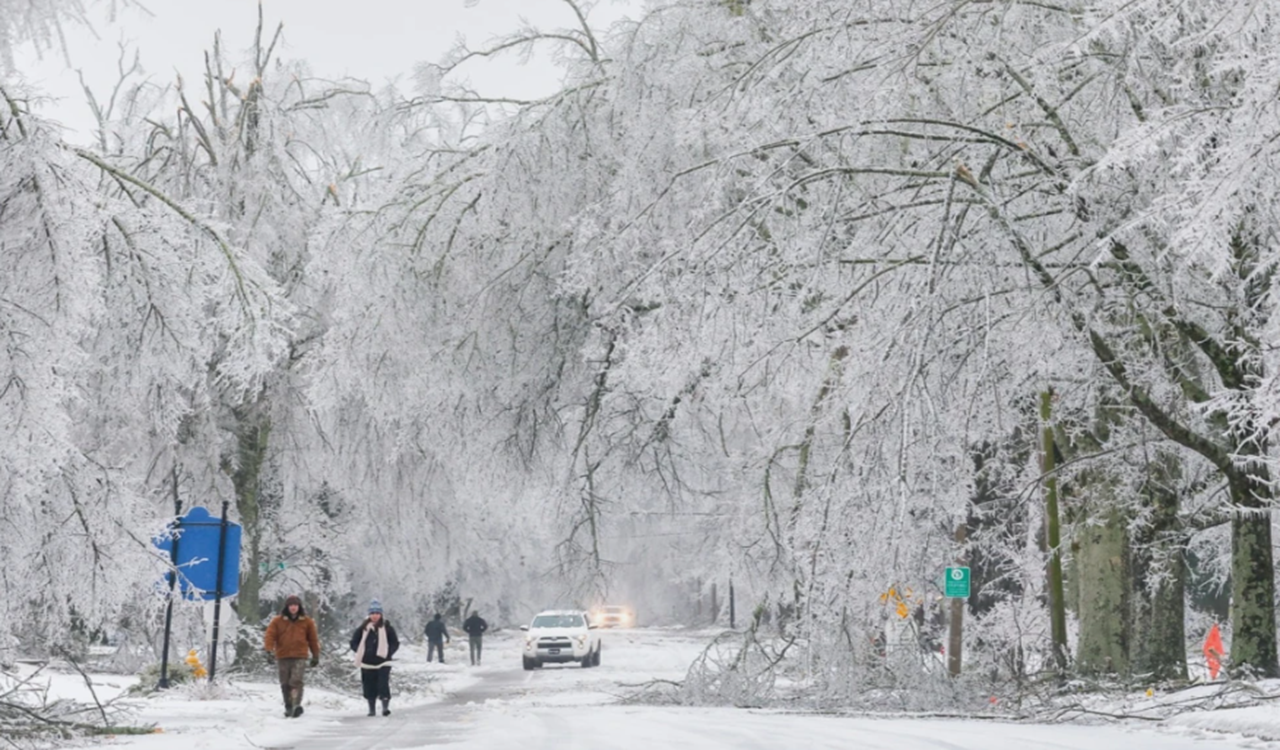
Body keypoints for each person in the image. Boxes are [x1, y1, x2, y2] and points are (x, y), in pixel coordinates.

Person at [263, 594, 321, 718]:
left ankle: (296, 705)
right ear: (287, 607)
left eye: (295, 605)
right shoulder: (277, 621)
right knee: (285, 683)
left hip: (300, 655)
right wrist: (269, 650)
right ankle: (288, 706)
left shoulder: (307, 622)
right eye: (291, 605)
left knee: (296, 681)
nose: (293, 608)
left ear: (299, 607)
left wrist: (315, 655)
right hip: (283, 655)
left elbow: (313, 639)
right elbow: (270, 636)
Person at [350, 599, 399, 716]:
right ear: (369, 614)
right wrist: (361, 651)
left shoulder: (387, 628)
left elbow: (395, 642)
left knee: (383, 684)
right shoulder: (363, 628)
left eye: (377, 613)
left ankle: (385, 707)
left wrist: (388, 652)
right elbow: (353, 642)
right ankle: (371, 709)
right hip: (367, 662)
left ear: (381, 614)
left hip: (383, 661)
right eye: (372, 613)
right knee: (369, 685)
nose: (375, 616)